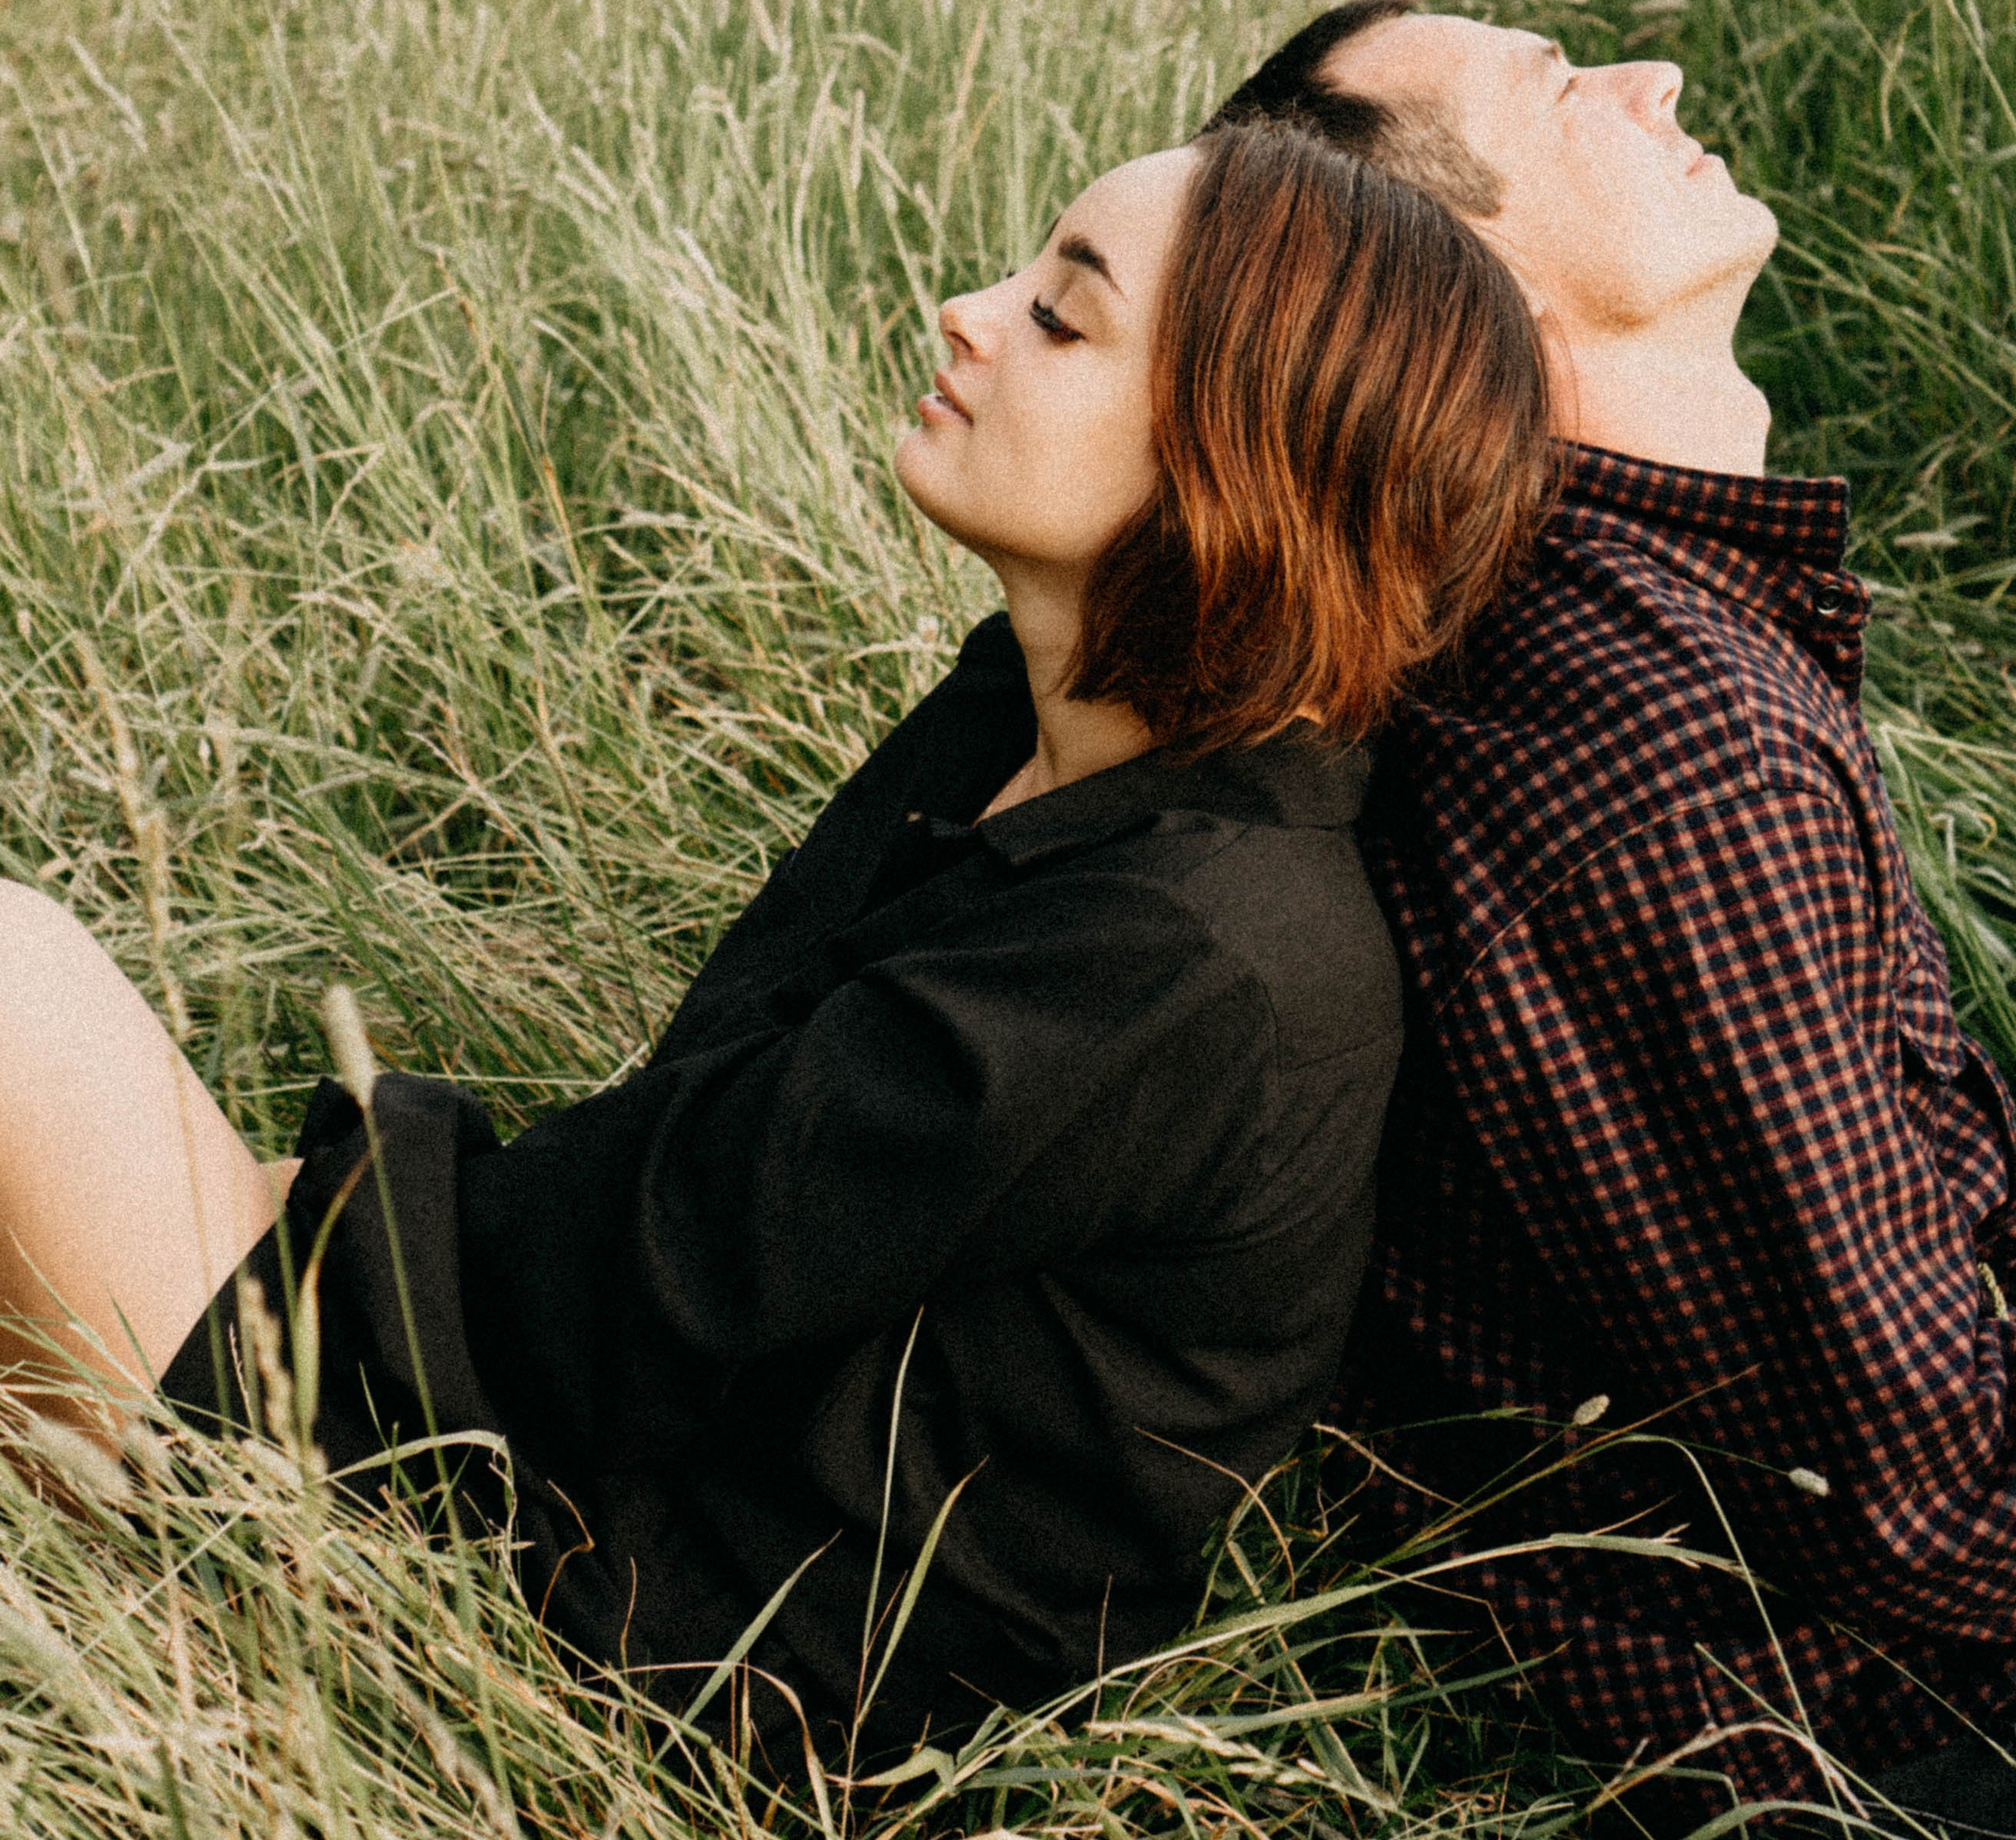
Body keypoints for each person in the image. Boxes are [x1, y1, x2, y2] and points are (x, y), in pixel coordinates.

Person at [0, 120, 1547, 1772]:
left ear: (1240, 456)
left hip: (649, 1667)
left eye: (1057, 316)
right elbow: (716, 1133)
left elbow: (631, 1271)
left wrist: (280, 1221)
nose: (965, 310)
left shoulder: (1193, 955)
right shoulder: (1034, 722)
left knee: (17, 986)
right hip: (628, 1466)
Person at [1210, 0, 2016, 1833]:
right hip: (1862, 1720)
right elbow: (1915, 1499)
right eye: (1562, 88)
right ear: (1461, 289)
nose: (1654, 77)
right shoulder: (1671, 750)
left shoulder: (1582, 606)